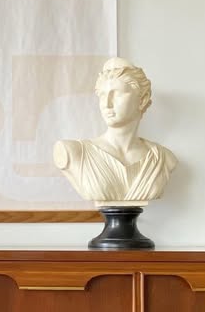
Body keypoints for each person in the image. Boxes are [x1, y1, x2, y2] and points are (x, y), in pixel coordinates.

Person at [54, 58, 177, 204]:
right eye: (102, 95)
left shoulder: (163, 158)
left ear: (142, 100)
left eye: (117, 94)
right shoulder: (73, 153)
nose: (107, 104)